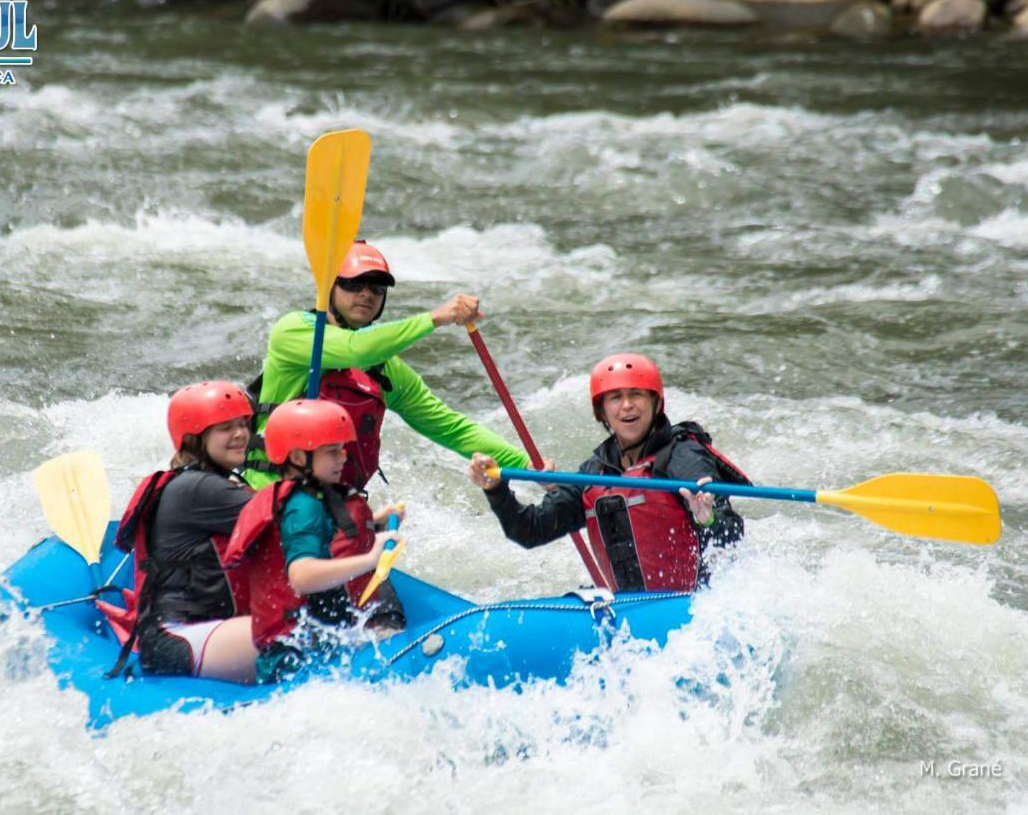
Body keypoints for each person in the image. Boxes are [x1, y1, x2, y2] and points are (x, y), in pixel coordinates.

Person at [244, 240, 529, 491]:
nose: (366, 293)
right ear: (329, 287)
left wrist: (526, 465)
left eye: (376, 287)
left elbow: (451, 428)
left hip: (332, 507)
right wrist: (435, 318)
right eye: (353, 284)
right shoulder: (295, 332)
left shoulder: (385, 371)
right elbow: (355, 350)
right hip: (267, 495)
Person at [467, 353, 750, 593]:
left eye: (636, 394)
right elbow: (529, 531)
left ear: (656, 403)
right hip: (627, 610)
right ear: (601, 412)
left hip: (688, 606)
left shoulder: (683, 455)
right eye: (615, 397)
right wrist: (496, 490)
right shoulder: (593, 473)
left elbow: (731, 536)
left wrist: (709, 520)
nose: (627, 405)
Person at [223, 399, 404, 683]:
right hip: (294, 654)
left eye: (342, 449)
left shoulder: (309, 496)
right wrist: (370, 560)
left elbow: (326, 537)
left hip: (311, 638)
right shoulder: (302, 506)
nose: (343, 458)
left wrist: (377, 522)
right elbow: (302, 576)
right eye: (332, 451)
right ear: (297, 457)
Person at [101, 382, 259, 682]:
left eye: (242, 424)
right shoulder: (199, 488)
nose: (240, 434)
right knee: (291, 633)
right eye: (225, 427)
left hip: (208, 629)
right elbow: (291, 520)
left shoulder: (209, 482)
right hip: (177, 638)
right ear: (194, 438)